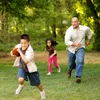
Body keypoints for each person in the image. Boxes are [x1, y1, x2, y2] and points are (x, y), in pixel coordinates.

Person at [10, 34, 46, 99]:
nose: (23, 45)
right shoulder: (18, 46)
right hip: (22, 67)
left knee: (37, 83)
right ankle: (21, 86)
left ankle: (42, 92)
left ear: (29, 42)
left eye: (25, 43)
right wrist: (14, 53)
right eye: (22, 43)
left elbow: (26, 61)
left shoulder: (30, 51)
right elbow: (12, 53)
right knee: (20, 79)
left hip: (30, 69)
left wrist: (20, 52)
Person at [65, 17, 92, 83]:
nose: (73, 23)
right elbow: (66, 41)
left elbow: (89, 32)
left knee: (80, 60)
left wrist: (88, 40)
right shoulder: (69, 30)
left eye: (75, 22)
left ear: (78, 22)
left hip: (81, 47)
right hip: (71, 48)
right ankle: (70, 69)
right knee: (71, 63)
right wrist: (74, 44)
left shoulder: (84, 28)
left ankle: (78, 76)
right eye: (72, 22)